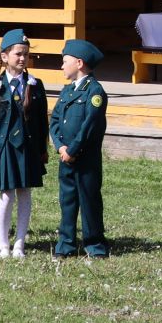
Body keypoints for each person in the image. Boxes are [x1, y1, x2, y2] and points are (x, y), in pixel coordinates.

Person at [0, 28, 48, 259]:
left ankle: (19, 243)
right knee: (6, 195)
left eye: (26, 55)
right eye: (18, 53)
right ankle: (3, 244)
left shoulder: (35, 85)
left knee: (25, 193)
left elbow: (41, 122)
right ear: (4, 56)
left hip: (27, 148)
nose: (22, 58)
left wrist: (42, 150)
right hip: (5, 148)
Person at [51, 39, 110, 259]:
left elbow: (89, 126)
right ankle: (65, 243)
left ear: (79, 63)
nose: (61, 66)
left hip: (85, 160)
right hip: (66, 157)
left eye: (64, 61)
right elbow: (55, 120)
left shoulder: (94, 92)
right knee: (67, 201)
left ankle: (94, 244)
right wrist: (60, 146)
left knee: (89, 200)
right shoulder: (67, 91)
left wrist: (73, 150)